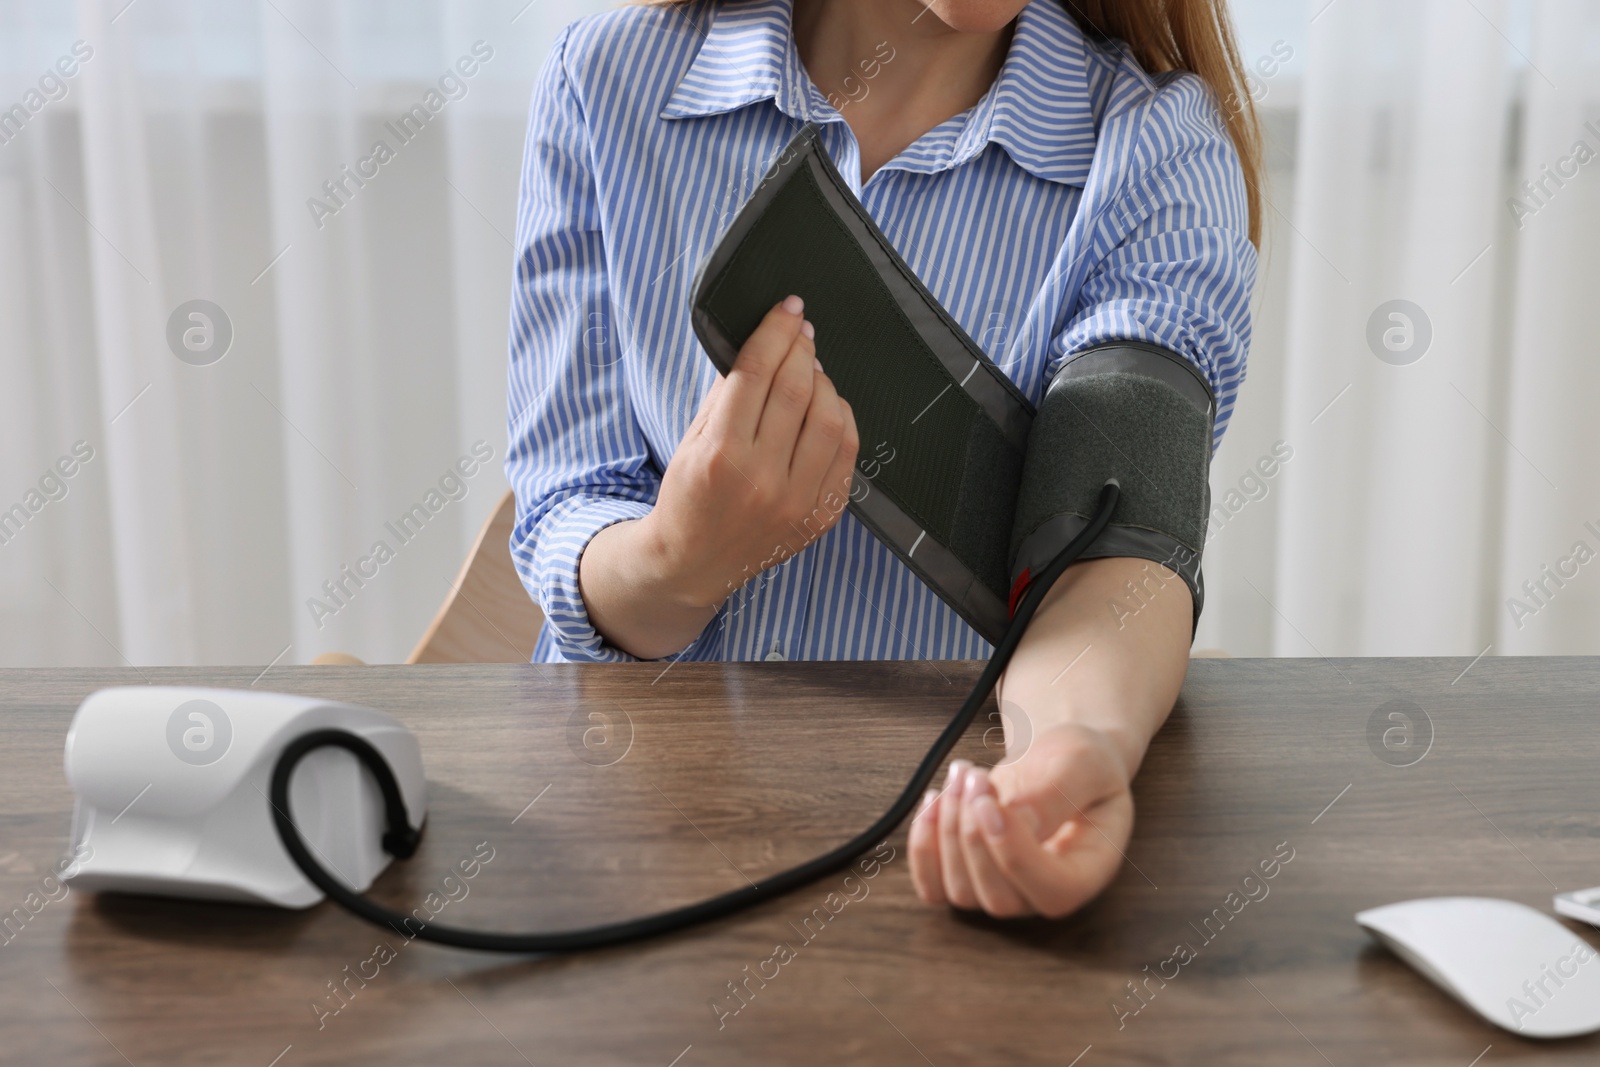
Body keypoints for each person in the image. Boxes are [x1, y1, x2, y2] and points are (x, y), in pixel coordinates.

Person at [505, 0, 1259, 920]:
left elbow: (1118, 543)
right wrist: (680, 557)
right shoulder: (608, 81)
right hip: (612, 843)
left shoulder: (1154, 152)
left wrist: (1075, 747)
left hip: (925, 865)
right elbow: (566, 503)